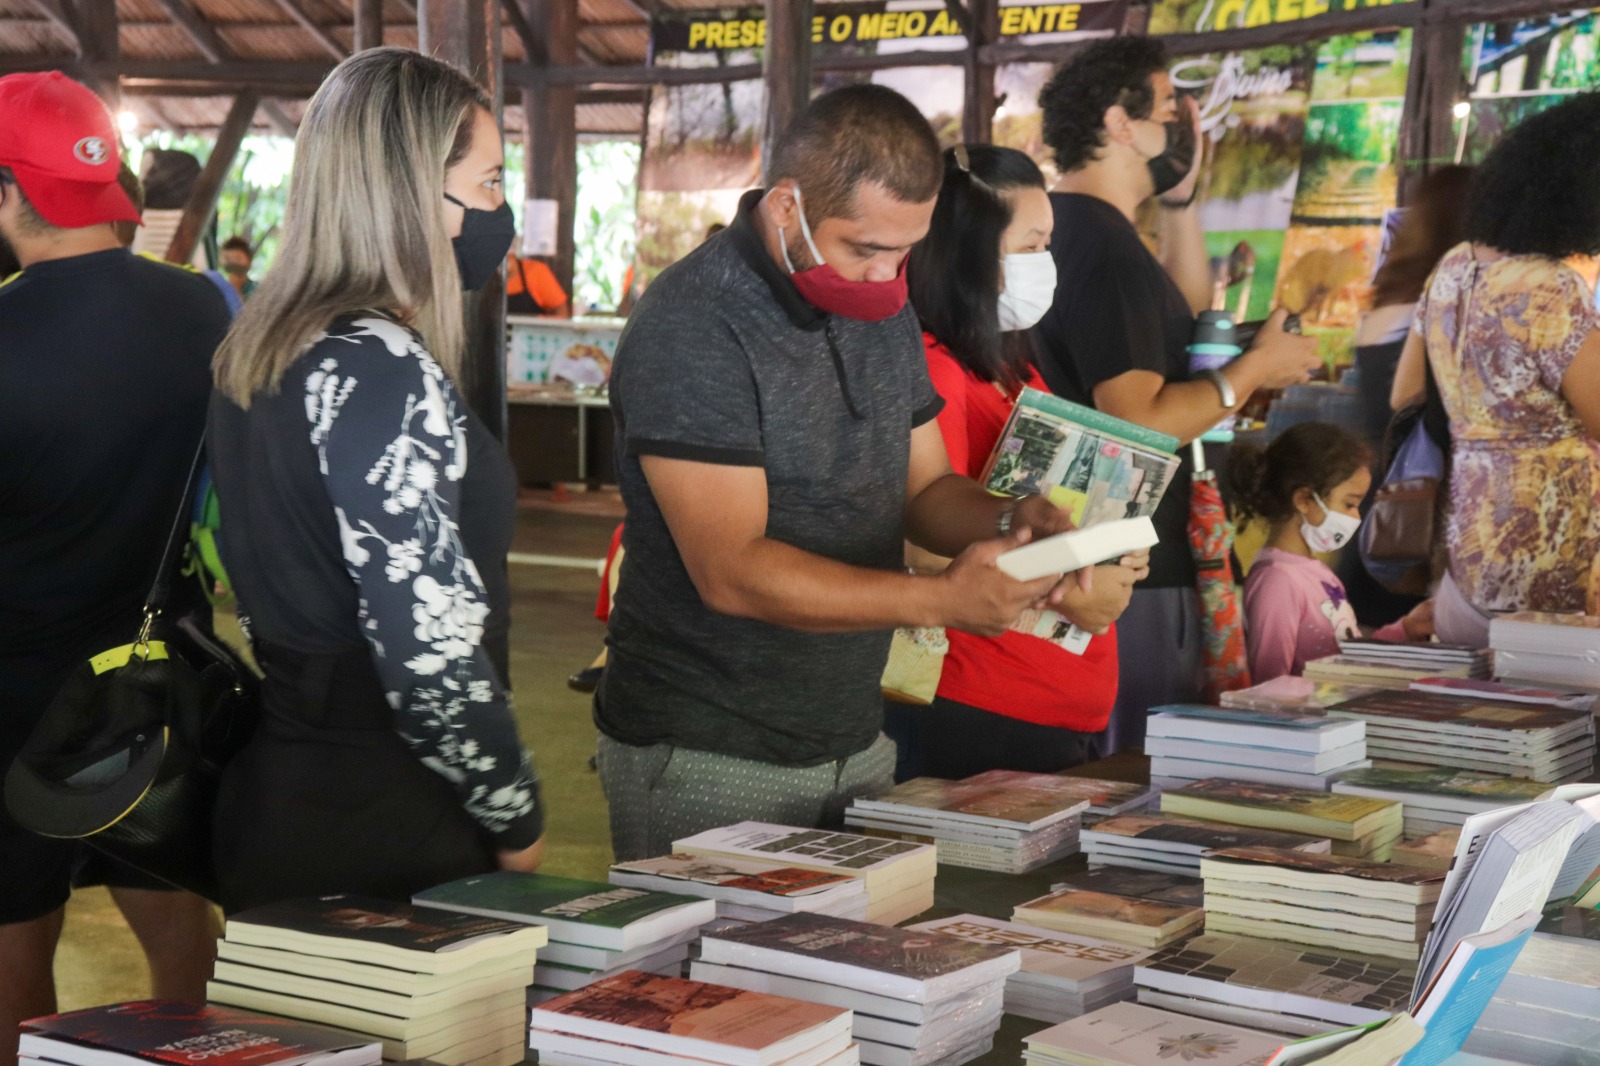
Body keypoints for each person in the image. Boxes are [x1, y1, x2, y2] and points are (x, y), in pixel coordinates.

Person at [598, 84, 1081, 862]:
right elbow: (732, 571)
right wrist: (941, 599)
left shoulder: (883, 305)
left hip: (853, 734)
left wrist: (1012, 519)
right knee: (722, 981)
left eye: (906, 250)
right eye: (865, 248)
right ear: (786, 208)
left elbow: (927, 490)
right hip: (709, 747)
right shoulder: (696, 324)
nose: (889, 275)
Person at [207, 47, 545, 912]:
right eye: (490, 180)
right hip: (387, 816)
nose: (501, 210)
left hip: (288, 789)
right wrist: (515, 814)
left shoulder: (266, 347)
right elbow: (427, 657)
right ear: (409, 190)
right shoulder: (379, 363)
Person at [0, 71, 227, 1059]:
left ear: (8, 192)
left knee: (12, 925)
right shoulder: (208, 310)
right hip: (156, 658)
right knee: (169, 897)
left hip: (13, 684)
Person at [1031, 37, 1322, 749]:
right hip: (1135, 565)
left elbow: (1176, 321)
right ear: (1120, 125)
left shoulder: (1071, 231)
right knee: (1141, 760)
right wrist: (1256, 369)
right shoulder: (1107, 255)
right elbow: (1139, 422)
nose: (1184, 128)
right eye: (1169, 109)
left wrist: (1184, 202)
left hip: (1091, 548)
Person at [887, 143, 1148, 781]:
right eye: (1030, 246)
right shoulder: (933, 368)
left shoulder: (1009, 365)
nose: (1046, 264)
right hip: (979, 698)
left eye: (1047, 245)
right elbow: (922, 545)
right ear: (969, 254)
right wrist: (1070, 583)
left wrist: (1113, 549)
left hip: (1051, 703)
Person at [1391, 94, 1600, 646]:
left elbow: (1404, 394)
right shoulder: (1548, 288)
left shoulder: (1452, 267)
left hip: (1465, 559)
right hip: (1555, 563)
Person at [1336, 166, 1472, 627]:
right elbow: (1410, 400)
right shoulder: (1442, 306)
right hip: (1425, 503)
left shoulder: (1388, 301)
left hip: (1384, 498)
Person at [1229, 423, 1433, 682]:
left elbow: (1344, 653)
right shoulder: (1277, 580)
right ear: (1303, 499)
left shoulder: (1315, 571)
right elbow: (1268, 685)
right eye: (1349, 503)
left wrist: (1405, 629)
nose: (1356, 516)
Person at [506, 247, 569, 316]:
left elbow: (561, 310)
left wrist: (548, 324)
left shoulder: (536, 271)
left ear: (512, 254)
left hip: (532, 326)